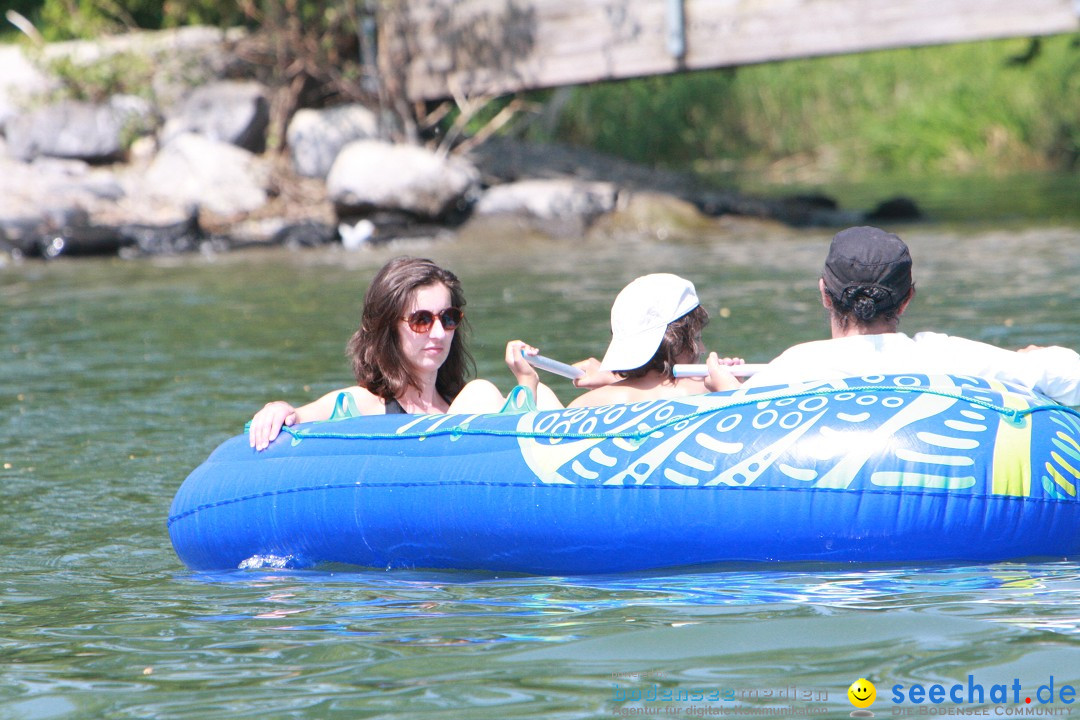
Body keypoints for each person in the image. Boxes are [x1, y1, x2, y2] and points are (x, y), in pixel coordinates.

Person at [707, 225, 1080, 404]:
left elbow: (742, 411)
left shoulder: (794, 365)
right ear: (907, 299)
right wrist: (1023, 361)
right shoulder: (944, 356)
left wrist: (724, 386)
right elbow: (1070, 374)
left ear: (824, 294)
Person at [249, 256, 474, 450]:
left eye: (448, 318)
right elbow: (296, 417)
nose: (438, 333)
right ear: (389, 328)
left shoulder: (467, 404)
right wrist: (277, 409)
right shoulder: (365, 404)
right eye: (421, 320)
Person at [450, 273, 743, 413]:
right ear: (676, 341)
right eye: (696, 338)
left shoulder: (585, 404)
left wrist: (527, 381)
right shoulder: (701, 393)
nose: (702, 349)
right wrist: (731, 389)